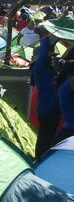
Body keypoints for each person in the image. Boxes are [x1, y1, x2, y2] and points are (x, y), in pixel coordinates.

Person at [32, 27, 61, 159]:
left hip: (52, 110)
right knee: (45, 139)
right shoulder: (38, 70)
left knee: (48, 138)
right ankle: (39, 160)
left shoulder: (49, 70)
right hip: (47, 110)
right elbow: (43, 55)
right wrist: (44, 38)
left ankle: (42, 159)